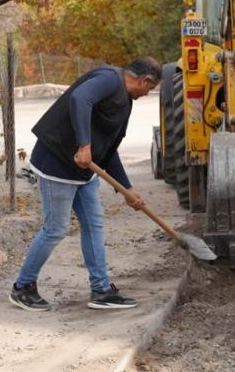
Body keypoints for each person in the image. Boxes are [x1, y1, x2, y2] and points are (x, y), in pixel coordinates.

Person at [9, 57, 162, 312]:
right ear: (145, 80)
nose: (147, 94)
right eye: (150, 89)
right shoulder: (108, 80)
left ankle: (101, 290)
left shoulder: (124, 102)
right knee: (55, 228)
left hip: (83, 171)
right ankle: (22, 287)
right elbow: (79, 99)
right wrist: (84, 145)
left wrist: (126, 188)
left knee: (94, 224)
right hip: (56, 163)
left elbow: (108, 148)